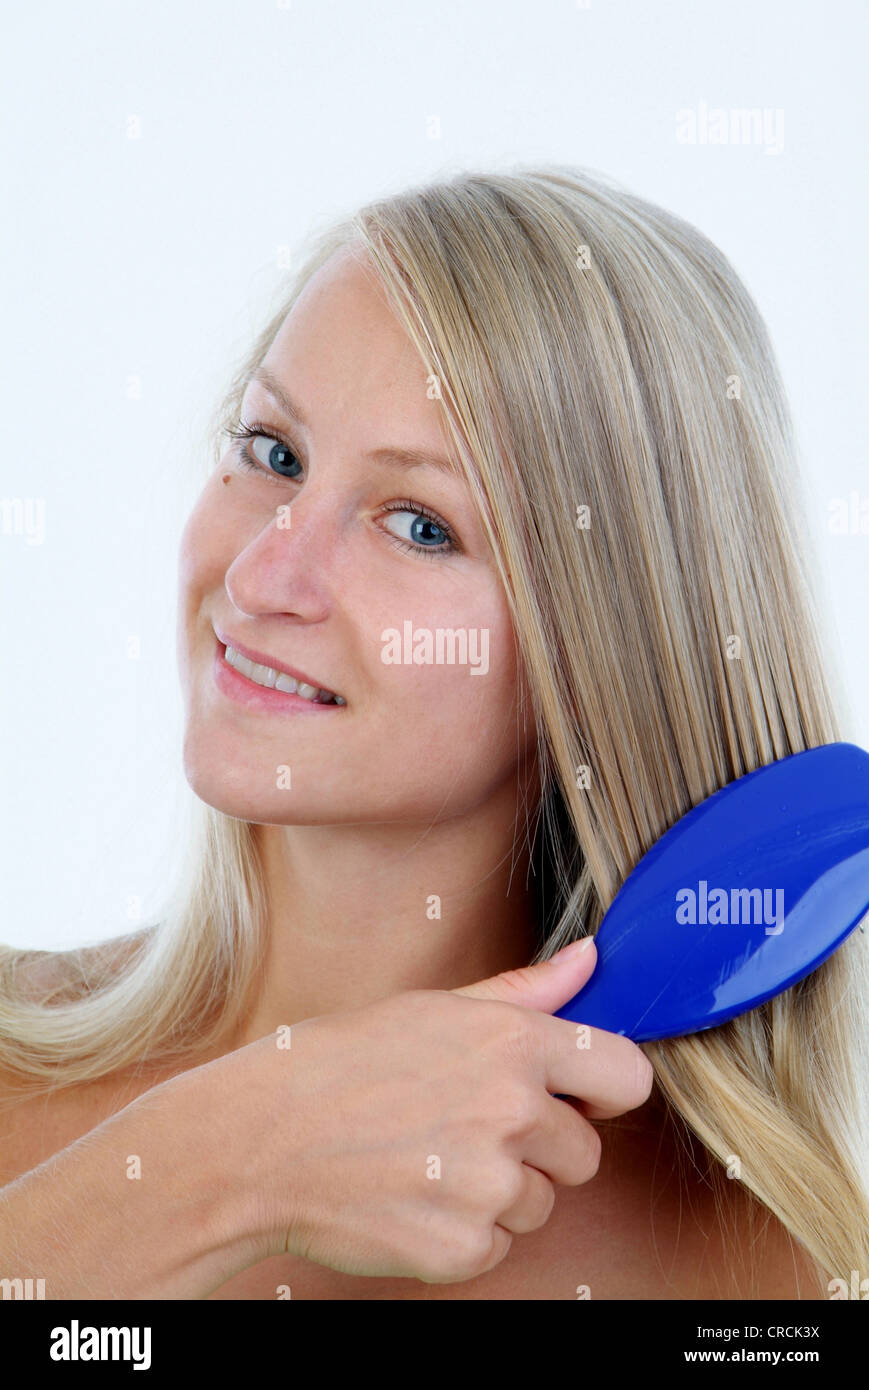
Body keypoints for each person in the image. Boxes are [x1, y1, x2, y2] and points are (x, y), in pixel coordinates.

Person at [1, 165, 865, 1300]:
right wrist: (228, 1157)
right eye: (274, 453)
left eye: (418, 524)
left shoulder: (758, 1282)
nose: (264, 576)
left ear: (603, 647)